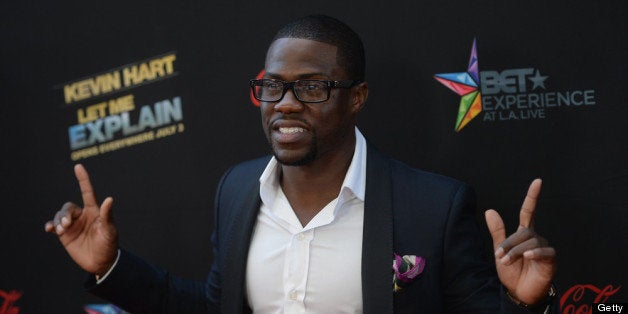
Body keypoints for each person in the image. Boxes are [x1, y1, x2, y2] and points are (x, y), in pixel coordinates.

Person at [46, 14, 557, 313]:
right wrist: (111, 266)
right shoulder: (237, 189)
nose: (285, 102)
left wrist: (530, 303)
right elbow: (213, 305)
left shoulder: (434, 205)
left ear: (356, 97)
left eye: (312, 86)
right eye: (272, 85)